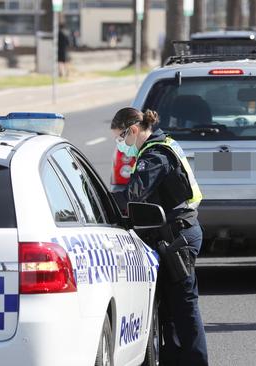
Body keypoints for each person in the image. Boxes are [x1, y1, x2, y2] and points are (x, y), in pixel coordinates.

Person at [110, 108, 209, 365]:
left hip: (178, 237)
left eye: (121, 138)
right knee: (169, 310)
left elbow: (133, 195)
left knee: (184, 308)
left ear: (133, 130)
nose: (121, 146)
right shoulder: (159, 145)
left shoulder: (155, 156)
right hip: (175, 232)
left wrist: (100, 200)